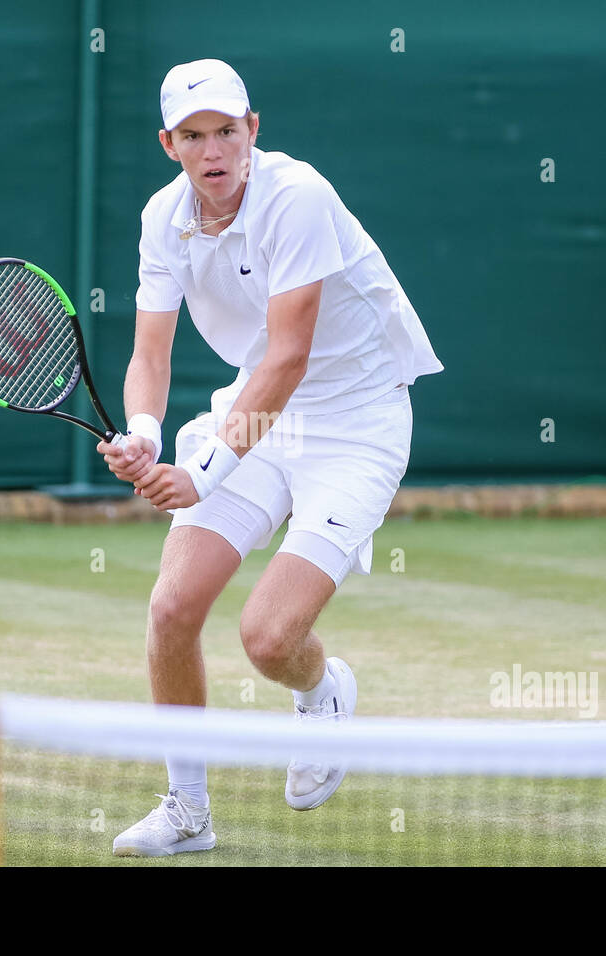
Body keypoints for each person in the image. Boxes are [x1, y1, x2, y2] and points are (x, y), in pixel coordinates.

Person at [95, 59, 442, 856]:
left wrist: (202, 470)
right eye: (193, 135)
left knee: (268, 638)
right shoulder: (162, 219)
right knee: (171, 610)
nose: (213, 149)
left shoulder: (299, 197)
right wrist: (145, 431)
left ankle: (323, 694)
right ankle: (187, 813)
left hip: (355, 423)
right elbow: (151, 352)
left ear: (254, 132)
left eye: (226, 130)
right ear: (169, 145)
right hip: (256, 414)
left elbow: (288, 358)